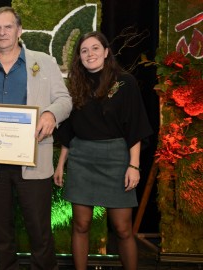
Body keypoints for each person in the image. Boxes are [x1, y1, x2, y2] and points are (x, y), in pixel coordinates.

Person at [0, 6, 72, 270]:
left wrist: (50, 114)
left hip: (33, 161)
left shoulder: (43, 62)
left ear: (19, 30)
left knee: (39, 230)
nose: (2, 33)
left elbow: (65, 100)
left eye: (8, 27)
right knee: (1, 232)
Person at [53, 31, 153, 270]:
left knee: (123, 228)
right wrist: (60, 165)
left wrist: (134, 166)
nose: (90, 54)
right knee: (81, 224)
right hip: (81, 159)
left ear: (106, 52)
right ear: (79, 57)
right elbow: (69, 129)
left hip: (117, 159)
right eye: (84, 50)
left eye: (95, 48)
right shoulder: (75, 84)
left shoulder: (125, 82)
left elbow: (136, 126)